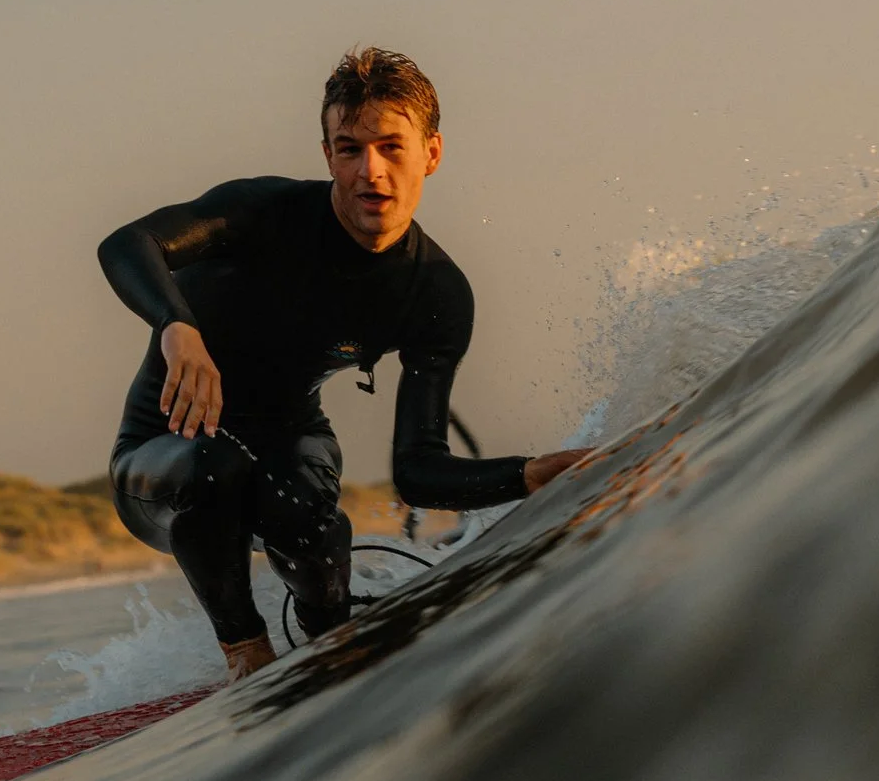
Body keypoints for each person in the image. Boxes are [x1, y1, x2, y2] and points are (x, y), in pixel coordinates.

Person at [97, 47, 593, 682]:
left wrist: (529, 474)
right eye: (350, 148)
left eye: (391, 146)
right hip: (162, 459)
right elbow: (128, 243)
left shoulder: (434, 291)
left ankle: (334, 648)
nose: (371, 171)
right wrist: (177, 326)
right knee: (212, 465)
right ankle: (247, 656)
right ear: (328, 154)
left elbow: (418, 470)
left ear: (431, 153)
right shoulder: (264, 214)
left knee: (309, 517)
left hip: (289, 442)